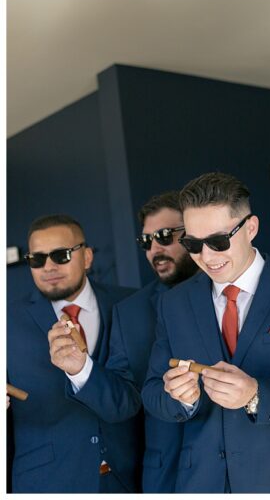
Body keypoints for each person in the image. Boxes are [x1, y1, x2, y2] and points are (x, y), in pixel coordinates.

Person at [142, 172, 270, 492]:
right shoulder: (173, 304)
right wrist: (178, 398)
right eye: (193, 244)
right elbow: (152, 393)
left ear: (251, 228)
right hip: (201, 484)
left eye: (219, 241)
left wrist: (256, 395)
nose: (207, 256)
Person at [48, 192, 198, 492]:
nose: (155, 249)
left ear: (194, 233)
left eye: (165, 236)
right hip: (169, 478)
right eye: (147, 242)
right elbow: (124, 400)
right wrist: (81, 368)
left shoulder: (235, 291)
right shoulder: (131, 310)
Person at [6, 214, 139, 492]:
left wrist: (82, 370)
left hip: (128, 479)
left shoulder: (131, 304)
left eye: (61, 255)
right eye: (37, 259)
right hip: (45, 484)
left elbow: (138, 395)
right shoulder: (6, 320)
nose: (49, 266)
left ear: (87, 257)